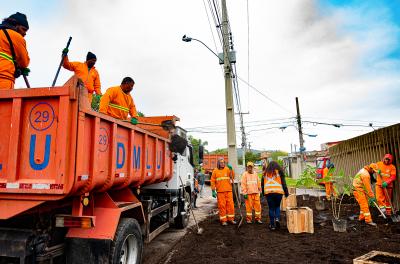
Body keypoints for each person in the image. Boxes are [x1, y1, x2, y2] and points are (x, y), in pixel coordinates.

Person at [0, 12, 30, 89]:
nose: (25, 33)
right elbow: (24, 62)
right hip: (3, 78)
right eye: (23, 29)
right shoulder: (16, 37)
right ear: (16, 25)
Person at [263, 161, 289, 230]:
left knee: (271, 208)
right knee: (277, 206)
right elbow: (284, 184)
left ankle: (272, 226)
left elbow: (262, 184)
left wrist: (263, 193)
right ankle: (277, 219)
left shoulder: (265, 173)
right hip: (278, 192)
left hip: (269, 193)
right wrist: (286, 193)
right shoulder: (279, 172)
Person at [210, 158, 236, 226]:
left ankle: (231, 219)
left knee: (230, 206)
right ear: (218, 163)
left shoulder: (227, 169)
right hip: (220, 192)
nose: (222, 164)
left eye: (223, 162)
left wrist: (231, 169)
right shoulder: (215, 171)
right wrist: (213, 190)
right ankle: (223, 220)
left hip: (229, 191)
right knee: (222, 206)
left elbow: (232, 177)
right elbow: (212, 181)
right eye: (221, 162)